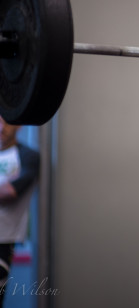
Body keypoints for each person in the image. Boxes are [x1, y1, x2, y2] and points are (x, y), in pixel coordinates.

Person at [0, 118, 40, 307]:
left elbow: (10, 193)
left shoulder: (27, 156)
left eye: (6, 122)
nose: (1, 127)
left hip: (4, 241)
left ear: (18, 124)